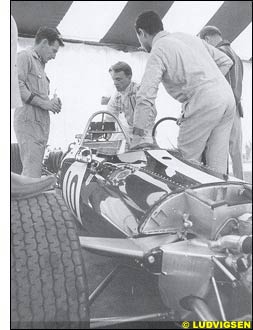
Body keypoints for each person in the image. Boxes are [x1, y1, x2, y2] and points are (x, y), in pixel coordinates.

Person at [131, 11, 236, 175]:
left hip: (205, 100)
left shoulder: (158, 50)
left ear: (141, 33)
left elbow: (145, 96)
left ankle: (189, 200)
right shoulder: (187, 37)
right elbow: (226, 61)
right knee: (217, 167)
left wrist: (136, 135)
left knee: (185, 165)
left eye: (139, 37)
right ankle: (218, 199)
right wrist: (210, 86)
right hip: (227, 98)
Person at [14, 26, 64, 178]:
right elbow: (16, 84)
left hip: (39, 125)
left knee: (33, 172)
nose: (54, 56)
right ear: (44, 43)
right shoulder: (24, 56)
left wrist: (52, 102)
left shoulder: (41, 65)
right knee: (31, 173)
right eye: (54, 51)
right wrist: (45, 104)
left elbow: (38, 95)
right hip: (29, 123)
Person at [199, 26, 244, 179]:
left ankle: (221, 186)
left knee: (218, 150)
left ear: (207, 39)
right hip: (237, 108)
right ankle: (242, 187)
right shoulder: (237, 55)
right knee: (236, 152)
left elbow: (210, 83)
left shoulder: (218, 54)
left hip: (222, 108)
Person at [106, 62, 140, 139]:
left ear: (129, 77)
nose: (115, 83)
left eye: (118, 79)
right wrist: (107, 133)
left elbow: (149, 116)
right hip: (130, 131)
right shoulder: (117, 96)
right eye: (113, 79)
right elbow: (109, 116)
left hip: (146, 131)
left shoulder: (140, 92)